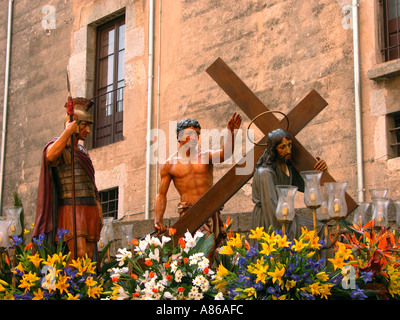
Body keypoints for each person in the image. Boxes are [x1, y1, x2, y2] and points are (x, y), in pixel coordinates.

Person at [154, 113, 242, 260]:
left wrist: (231, 134)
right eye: (190, 134)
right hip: (190, 212)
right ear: (179, 135)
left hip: (211, 211)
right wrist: (158, 220)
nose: (194, 137)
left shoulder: (206, 156)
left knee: (213, 252)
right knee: (206, 244)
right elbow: (161, 194)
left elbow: (225, 154)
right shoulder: (169, 164)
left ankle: (203, 282)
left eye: (197, 134)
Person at [32, 98, 102, 263]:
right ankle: (74, 288)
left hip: (90, 207)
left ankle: (87, 287)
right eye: (84, 125)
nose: (88, 130)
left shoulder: (83, 151)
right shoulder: (58, 146)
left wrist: (99, 208)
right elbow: (50, 156)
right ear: (74, 125)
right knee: (78, 254)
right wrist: (67, 133)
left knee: (88, 258)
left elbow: (92, 184)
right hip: (71, 208)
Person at [251, 128, 327, 240]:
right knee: (318, 231)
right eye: (282, 147)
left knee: (321, 230)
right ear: (273, 149)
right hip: (270, 220)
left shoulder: (288, 168)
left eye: (289, 145)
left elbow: (308, 186)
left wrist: (319, 171)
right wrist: (282, 237)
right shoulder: (265, 173)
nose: (288, 150)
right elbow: (271, 208)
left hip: (286, 216)